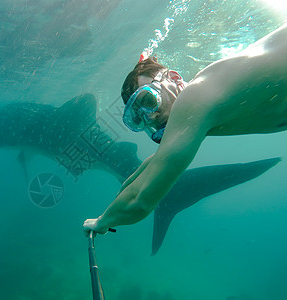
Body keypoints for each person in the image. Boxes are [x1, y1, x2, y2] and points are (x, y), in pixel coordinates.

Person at [83, 24, 287, 236]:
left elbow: (140, 202)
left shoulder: (194, 96)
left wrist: (101, 222)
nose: (150, 115)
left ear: (174, 77)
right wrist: (126, 185)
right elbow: (160, 158)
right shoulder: (206, 113)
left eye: (149, 100)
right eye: (138, 116)